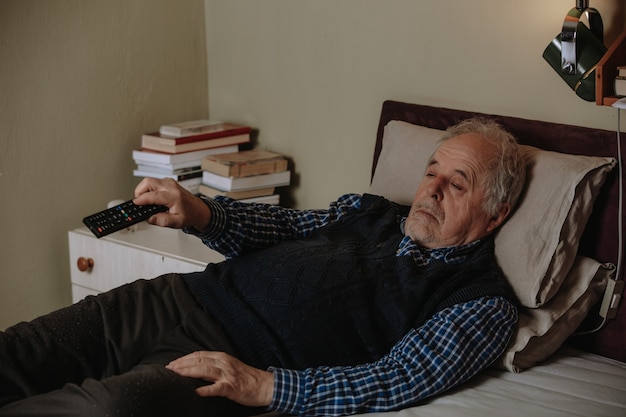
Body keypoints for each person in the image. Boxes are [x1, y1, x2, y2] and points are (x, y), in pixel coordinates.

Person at [0, 117, 526, 417]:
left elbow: (395, 379)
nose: (430, 189)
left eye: (457, 183)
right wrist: (200, 211)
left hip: (224, 364)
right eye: (431, 171)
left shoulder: (479, 301)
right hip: (169, 299)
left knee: (98, 412)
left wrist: (263, 386)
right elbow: (286, 228)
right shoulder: (368, 211)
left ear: (497, 212)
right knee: (18, 352)